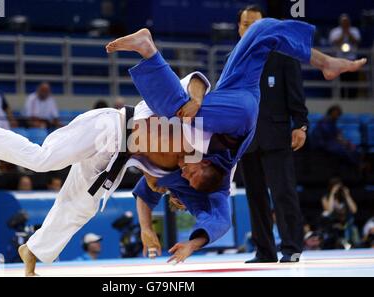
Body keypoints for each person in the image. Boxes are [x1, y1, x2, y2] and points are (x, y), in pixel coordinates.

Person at [107, 18, 364, 263]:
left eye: (177, 193)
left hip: (233, 91)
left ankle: (326, 62)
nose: (184, 174)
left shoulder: (177, 176)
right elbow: (221, 221)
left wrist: (147, 222)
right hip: (238, 118)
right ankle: (148, 50)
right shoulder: (217, 187)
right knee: (178, 109)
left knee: (262, 30)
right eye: (188, 182)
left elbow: (145, 191)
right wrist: (193, 244)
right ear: (205, 170)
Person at [0, 72, 222, 275]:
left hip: (114, 161)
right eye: (187, 190)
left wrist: (153, 211)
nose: (186, 178)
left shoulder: (172, 171)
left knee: (81, 207)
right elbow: (196, 80)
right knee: (44, 160)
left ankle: (31, 252)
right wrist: (196, 100)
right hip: (109, 128)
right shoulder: (193, 133)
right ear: (203, 168)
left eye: (182, 197)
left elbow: (148, 179)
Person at [230, 5, 308, 264]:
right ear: (238, 27)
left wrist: (300, 125)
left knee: (283, 192)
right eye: (245, 24)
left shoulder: (284, 55)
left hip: (276, 135)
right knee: (255, 197)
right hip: (247, 138)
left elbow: (296, 94)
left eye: (255, 24)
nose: (249, 28)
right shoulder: (235, 59)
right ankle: (265, 250)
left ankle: (291, 247)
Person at [329, 14, 362, 98]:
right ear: (340, 22)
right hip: (340, 61)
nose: (345, 23)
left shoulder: (354, 30)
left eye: (346, 22)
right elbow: (335, 42)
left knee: (353, 81)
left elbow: (356, 41)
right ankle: (341, 97)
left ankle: (353, 98)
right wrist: (343, 33)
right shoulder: (335, 31)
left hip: (352, 60)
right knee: (341, 82)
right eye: (343, 22)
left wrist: (348, 32)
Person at [321, 177, 358, 248]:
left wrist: (347, 195)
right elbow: (329, 211)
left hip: (346, 224)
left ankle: (349, 244)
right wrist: (332, 193)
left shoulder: (344, 197)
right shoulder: (325, 197)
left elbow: (354, 210)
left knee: (351, 224)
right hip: (332, 224)